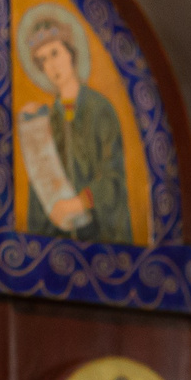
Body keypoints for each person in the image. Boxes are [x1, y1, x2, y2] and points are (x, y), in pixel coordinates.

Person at [20, 14, 133, 242]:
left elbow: (114, 177)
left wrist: (79, 203)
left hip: (101, 239)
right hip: (60, 243)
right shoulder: (48, 120)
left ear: (70, 52)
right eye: (43, 61)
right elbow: (40, 189)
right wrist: (35, 133)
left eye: (55, 53)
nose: (51, 66)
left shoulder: (100, 110)